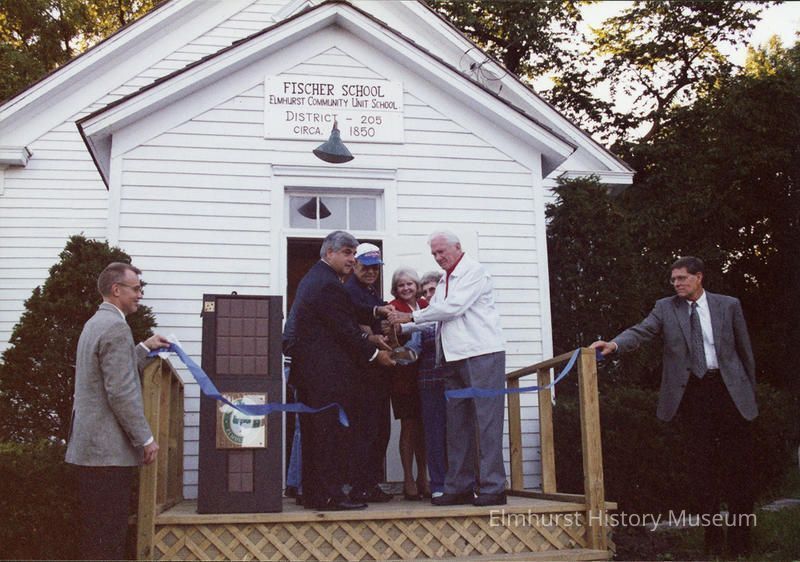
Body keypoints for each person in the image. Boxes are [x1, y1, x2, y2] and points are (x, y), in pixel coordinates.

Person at [591, 256, 757, 556]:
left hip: (730, 392)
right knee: (702, 468)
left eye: (682, 278)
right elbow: (641, 331)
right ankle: (713, 537)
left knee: (740, 468)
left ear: (699, 277)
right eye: (673, 279)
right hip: (692, 394)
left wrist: (750, 394)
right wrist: (613, 345)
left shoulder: (728, 305)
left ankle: (740, 542)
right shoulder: (665, 308)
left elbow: (745, 352)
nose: (676, 283)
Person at [389, 231, 506, 507]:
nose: (438, 257)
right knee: (457, 426)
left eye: (442, 251)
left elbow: (453, 308)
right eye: (434, 254)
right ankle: (459, 486)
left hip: (482, 353)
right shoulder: (443, 281)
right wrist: (403, 328)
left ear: (458, 247)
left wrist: (410, 315)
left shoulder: (474, 271)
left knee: (486, 424)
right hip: (453, 358)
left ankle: (493, 486)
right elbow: (439, 317)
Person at [65, 262, 170, 560]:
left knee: (96, 535)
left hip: (91, 451)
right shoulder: (115, 327)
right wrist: (145, 439)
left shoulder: (95, 323)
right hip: (107, 454)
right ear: (116, 290)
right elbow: (121, 392)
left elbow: (112, 373)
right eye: (135, 288)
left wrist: (144, 348)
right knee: (107, 539)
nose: (140, 295)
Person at [287, 231, 394, 511]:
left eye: (353, 253)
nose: (352, 259)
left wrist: (376, 313)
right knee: (327, 436)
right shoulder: (327, 283)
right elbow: (345, 330)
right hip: (324, 376)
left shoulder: (319, 278)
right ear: (329, 253)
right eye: (347, 253)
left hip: (312, 375)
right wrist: (376, 354)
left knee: (315, 435)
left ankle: (314, 494)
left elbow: (347, 312)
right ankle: (330, 496)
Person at [343, 243, 394, 503]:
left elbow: (376, 324)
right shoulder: (349, 291)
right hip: (360, 373)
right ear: (355, 265)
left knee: (379, 430)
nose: (371, 272)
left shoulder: (371, 291)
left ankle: (370, 484)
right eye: (366, 267)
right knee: (364, 431)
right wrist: (372, 338)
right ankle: (359, 486)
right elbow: (352, 330)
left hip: (377, 373)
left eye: (376, 267)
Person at [386, 267, 430, 500]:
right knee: (409, 427)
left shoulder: (425, 305)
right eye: (401, 285)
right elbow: (391, 343)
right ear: (396, 288)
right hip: (404, 376)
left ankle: (424, 476)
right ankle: (408, 479)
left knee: (424, 428)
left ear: (417, 286)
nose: (406, 288)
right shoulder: (392, 307)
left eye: (409, 284)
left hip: (427, 374)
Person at [405, 270, 447, 501]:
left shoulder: (455, 313)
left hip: (455, 382)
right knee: (434, 435)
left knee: (458, 433)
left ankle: (462, 482)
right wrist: (395, 354)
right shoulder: (422, 318)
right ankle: (438, 483)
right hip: (429, 383)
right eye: (425, 292)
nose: (429, 295)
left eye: (433, 289)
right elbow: (414, 348)